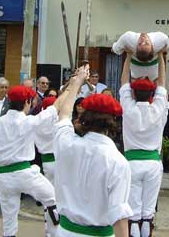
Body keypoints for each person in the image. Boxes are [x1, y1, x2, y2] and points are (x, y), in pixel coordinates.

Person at [0, 85, 60, 237]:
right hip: (25, 174)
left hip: (3, 178)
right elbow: (56, 107)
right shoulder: (29, 121)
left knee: (9, 224)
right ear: (27, 102)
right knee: (51, 198)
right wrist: (73, 86)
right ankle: (53, 233)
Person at [53, 66, 132, 237]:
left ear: (84, 118)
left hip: (63, 232)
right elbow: (119, 215)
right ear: (113, 123)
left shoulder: (66, 142)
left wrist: (77, 82)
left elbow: (64, 114)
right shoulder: (117, 162)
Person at [119, 50, 168, 237]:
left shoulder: (128, 108)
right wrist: (162, 57)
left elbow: (124, 81)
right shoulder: (158, 108)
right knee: (148, 212)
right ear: (152, 94)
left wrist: (128, 56)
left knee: (134, 211)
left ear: (133, 92)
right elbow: (162, 82)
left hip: (131, 163)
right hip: (153, 163)